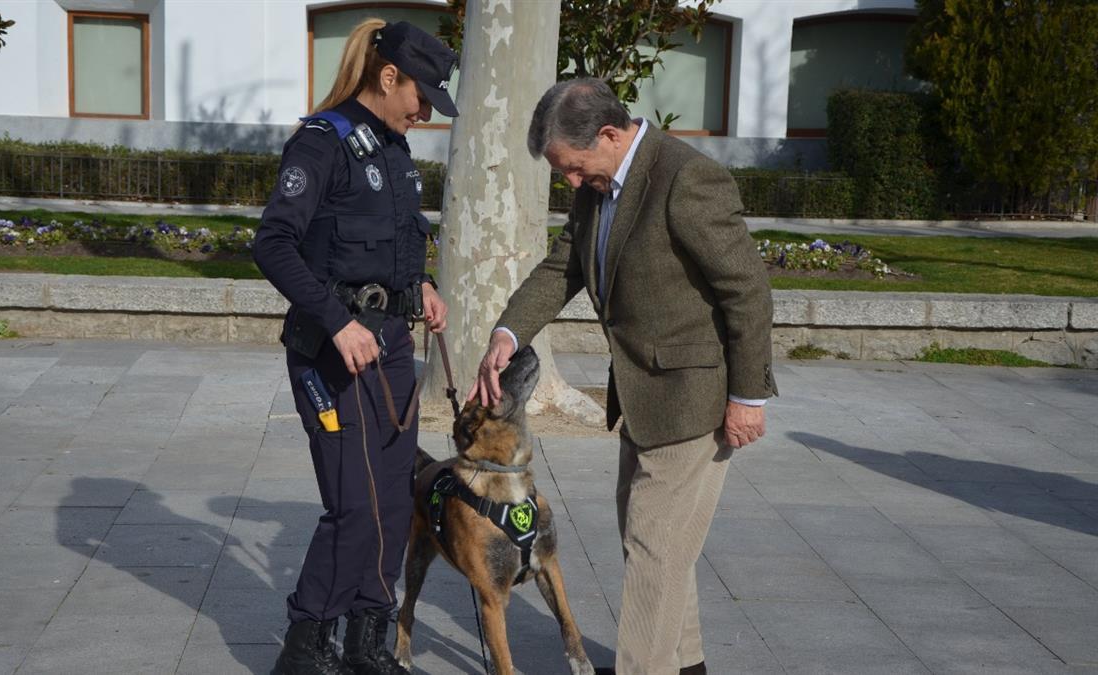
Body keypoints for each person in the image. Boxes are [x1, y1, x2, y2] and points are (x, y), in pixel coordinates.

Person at [470, 78, 778, 675]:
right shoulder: (596, 186)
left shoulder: (686, 178)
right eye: (564, 172)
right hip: (640, 398)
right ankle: (684, 666)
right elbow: (563, 267)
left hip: (694, 397)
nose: (571, 182)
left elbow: (747, 289)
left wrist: (748, 396)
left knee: (651, 546)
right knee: (661, 547)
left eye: (575, 167)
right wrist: (507, 335)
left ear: (610, 134)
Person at [253, 19, 458, 675]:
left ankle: (369, 639)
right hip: (332, 349)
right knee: (354, 503)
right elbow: (274, 244)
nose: (425, 112)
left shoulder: (393, 148)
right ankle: (306, 644)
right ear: (388, 75)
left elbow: (396, 238)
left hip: (393, 344)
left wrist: (420, 283)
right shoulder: (321, 142)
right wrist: (339, 321)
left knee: (394, 498)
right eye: (420, 96)